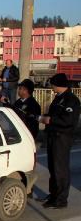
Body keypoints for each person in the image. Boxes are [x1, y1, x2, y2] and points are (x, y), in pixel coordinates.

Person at [36, 73, 80, 209]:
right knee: (52, 167)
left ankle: (61, 199)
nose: (52, 87)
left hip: (62, 137)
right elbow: (53, 114)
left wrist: (51, 120)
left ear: (59, 85)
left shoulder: (71, 100)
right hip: (52, 135)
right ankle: (54, 194)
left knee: (60, 168)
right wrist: (45, 117)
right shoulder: (58, 98)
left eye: (53, 84)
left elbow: (68, 120)